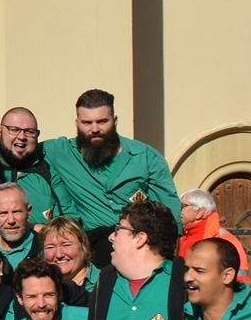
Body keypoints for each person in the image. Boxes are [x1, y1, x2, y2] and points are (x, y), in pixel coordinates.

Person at [39, 89, 181, 250]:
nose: (94, 129)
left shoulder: (146, 157)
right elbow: (20, 148)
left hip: (138, 246)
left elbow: (171, 213)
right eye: (87, 122)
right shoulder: (61, 152)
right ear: (77, 123)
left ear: (114, 121)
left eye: (102, 121)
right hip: (92, 246)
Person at [0, 107, 56, 225]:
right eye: (14, 129)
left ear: (37, 136)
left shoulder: (48, 171)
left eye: (29, 131)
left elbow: (69, 217)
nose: (22, 136)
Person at [174, 189, 247, 273]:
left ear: (200, 212)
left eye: (183, 206)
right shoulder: (184, 237)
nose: (179, 210)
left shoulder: (225, 240)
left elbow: (241, 277)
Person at [0, 184, 38, 273]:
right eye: (3, 213)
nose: (11, 220)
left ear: (28, 212)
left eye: (16, 212)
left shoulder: (45, 249)